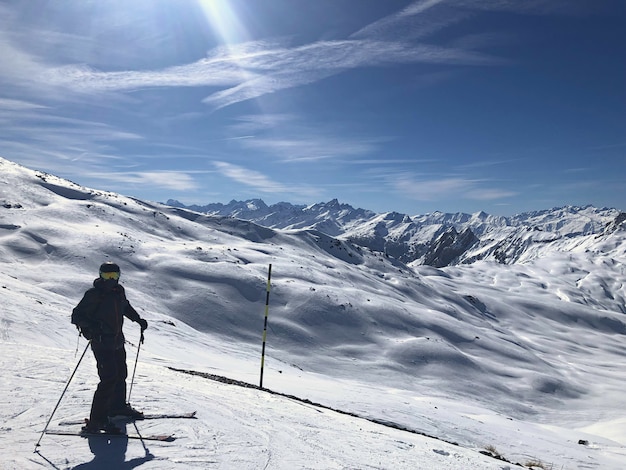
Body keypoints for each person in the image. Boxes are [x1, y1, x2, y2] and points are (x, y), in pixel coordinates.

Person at [71, 262, 148, 433]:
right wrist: (92, 327)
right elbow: (76, 316)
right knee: (108, 379)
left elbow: (125, 307)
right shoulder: (94, 295)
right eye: (107, 276)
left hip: (117, 341)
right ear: (100, 276)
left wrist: (138, 319)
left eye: (114, 276)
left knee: (121, 374)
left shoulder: (118, 293)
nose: (111, 280)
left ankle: (117, 407)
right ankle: (97, 421)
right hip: (101, 342)